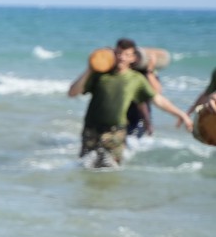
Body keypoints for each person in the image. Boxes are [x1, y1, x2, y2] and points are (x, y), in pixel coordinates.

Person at [67, 38, 190, 168]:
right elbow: (72, 92)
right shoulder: (100, 75)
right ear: (114, 54)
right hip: (91, 131)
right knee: (85, 169)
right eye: (119, 53)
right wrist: (90, 69)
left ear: (133, 58)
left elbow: (157, 99)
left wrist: (181, 115)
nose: (122, 58)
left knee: (110, 172)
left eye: (127, 55)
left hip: (116, 134)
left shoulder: (136, 79)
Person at [124, 45, 163, 139]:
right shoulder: (124, 73)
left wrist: (150, 71)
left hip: (140, 119)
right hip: (124, 118)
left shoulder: (146, 73)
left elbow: (157, 92)